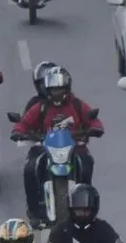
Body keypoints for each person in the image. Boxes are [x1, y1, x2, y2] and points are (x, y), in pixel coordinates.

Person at [12, 65, 102, 223]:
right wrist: (18, 132)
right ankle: (35, 211)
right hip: (45, 147)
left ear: (66, 88)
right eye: (53, 90)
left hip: (75, 146)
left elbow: (93, 119)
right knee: (30, 168)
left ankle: (87, 204)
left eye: (60, 89)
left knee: (87, 164)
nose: (57, 93)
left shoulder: (77, 105)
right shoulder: (40, 107)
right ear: (47, 90)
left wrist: (94, 128)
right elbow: (24, 123)